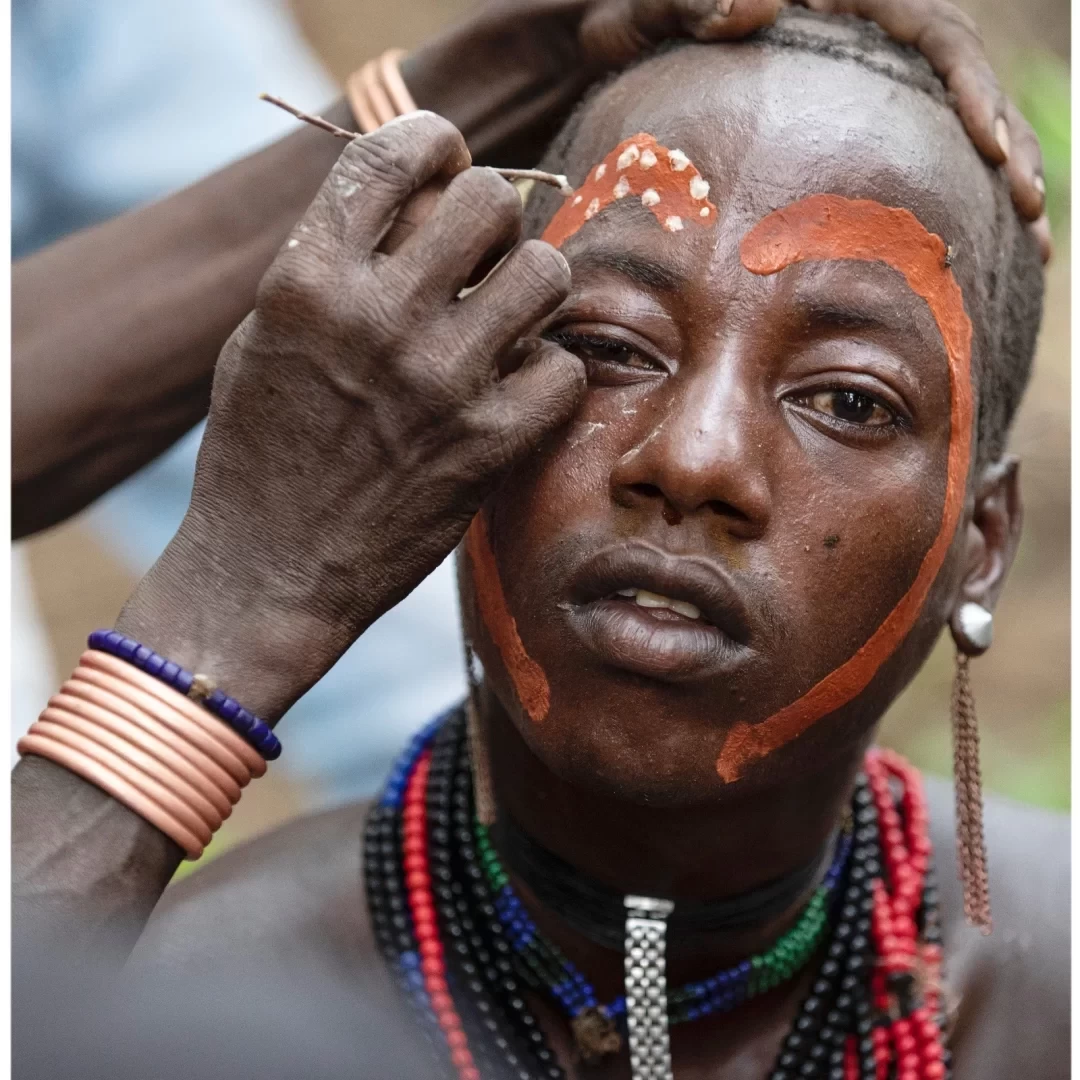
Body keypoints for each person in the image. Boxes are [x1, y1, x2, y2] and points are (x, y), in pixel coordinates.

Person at [12, 7, 1066, 1080]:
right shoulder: (173, 1005)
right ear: (459, 405)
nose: (693, 459)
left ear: (981, 543)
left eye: (848, 398)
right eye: (608, 346)